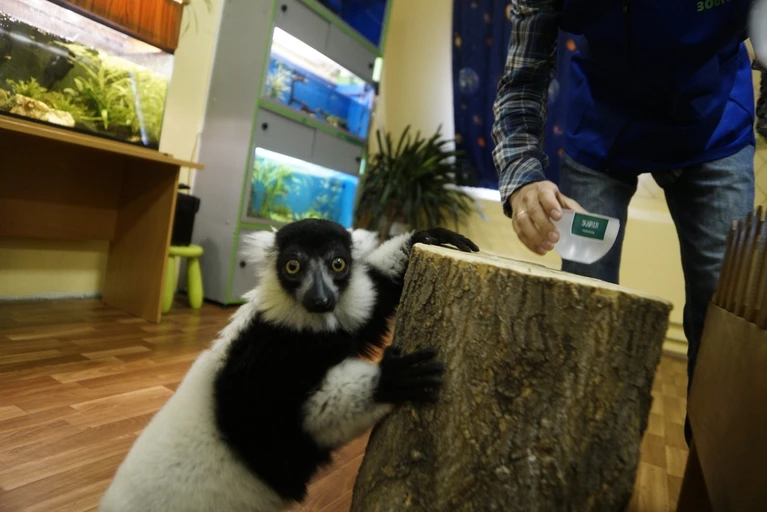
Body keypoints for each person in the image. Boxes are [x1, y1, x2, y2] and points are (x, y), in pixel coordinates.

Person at [491, 0, 757, 446]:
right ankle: (577, 456)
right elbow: (522, 78)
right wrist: (521, 176)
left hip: (714, 121)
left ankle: (708, 470)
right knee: (585, 300)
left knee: (723, 314)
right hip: (602, 126)